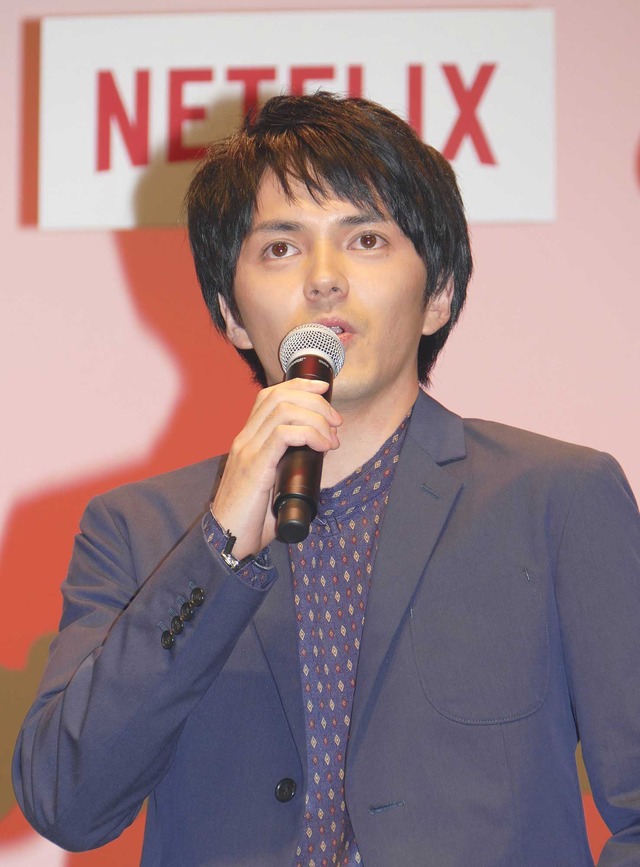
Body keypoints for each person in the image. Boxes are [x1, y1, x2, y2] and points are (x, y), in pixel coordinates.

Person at [12, 92, 640, 866]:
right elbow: (67, 800)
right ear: (230, 312)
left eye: (366, 239)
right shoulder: (140, 530)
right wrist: (217, 547)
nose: (324, 279)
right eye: (280, 248)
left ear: (439, 294)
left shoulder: (557, 499)